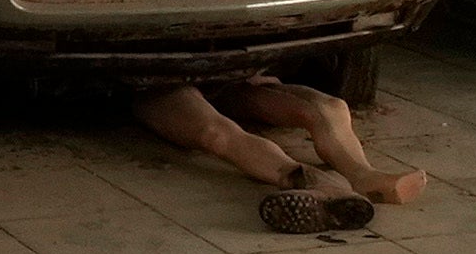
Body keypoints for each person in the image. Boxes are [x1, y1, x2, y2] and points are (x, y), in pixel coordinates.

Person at [137, 72, 428, 232]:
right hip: (157, 81)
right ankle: (316, 182)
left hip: (232, 71)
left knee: (328, 108)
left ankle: (366, 176)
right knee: (217, 133)